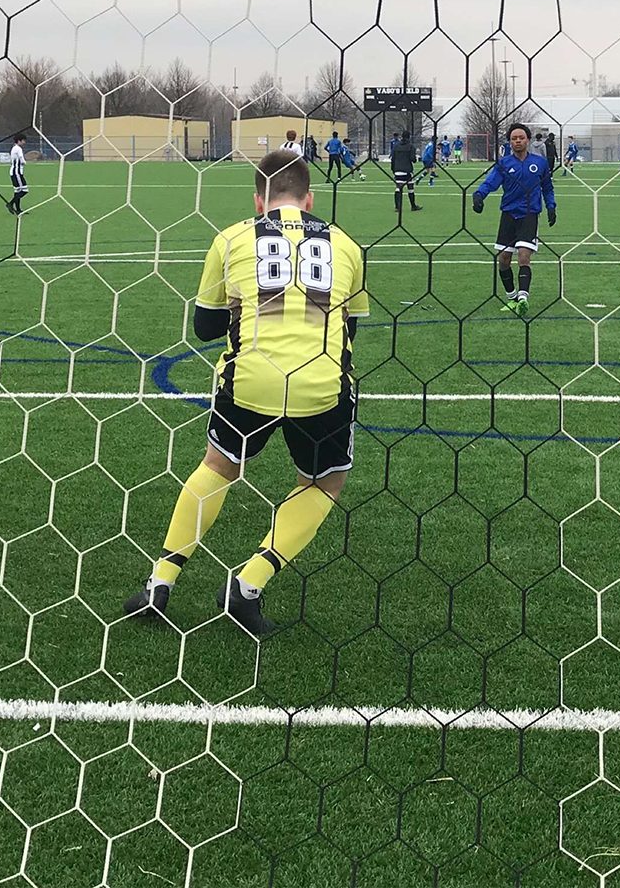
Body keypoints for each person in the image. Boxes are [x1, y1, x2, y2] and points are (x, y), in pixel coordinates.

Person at [123, 149, 369, 635]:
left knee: (219, 467)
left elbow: (205, 326)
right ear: (310, 197)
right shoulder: (346, 244)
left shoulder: (232, 238)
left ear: (260, 200)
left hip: (247, 381)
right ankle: (246, 586)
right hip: (321, 387)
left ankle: (160, 584)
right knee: (323, 484)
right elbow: (351, 329)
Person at [472, 123, 556, 318]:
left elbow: (547, 188)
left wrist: (551, 206)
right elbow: (491, 182)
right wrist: (479, 195)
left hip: (529, 214)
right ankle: (512, 298)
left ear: (527, 140)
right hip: (509, 214)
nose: (517, 141)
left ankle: (523, 298)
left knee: (524, 256)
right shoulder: (504, 164)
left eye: (521, 137)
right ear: (510, 142)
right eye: (513, 138)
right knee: (503, 259)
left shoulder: (540, 163)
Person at [391, 130, 422, 215]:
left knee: (398, 188)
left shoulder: (396, 146)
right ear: (409, 137)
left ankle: (397, 207)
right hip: (407, 171)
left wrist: (393, 170)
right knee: (410, 188)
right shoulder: (411, 146)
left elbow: (393, 159)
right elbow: (413, 159)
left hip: (397, 171)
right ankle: (413, 206)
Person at [6, 134, 28, 216]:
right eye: (23, 140)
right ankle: (10, 204)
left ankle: (18, 209)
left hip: (14, 172)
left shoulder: (14, 148)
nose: (24, 142)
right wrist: (24, 162)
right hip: (17, 172)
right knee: (24, 190)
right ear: (19, 141)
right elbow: (21, 159)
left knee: (17, 191)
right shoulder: (18, 149)